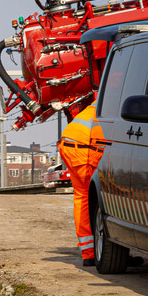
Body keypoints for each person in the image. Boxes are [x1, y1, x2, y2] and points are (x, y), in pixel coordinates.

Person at [57, 102, 103, 265]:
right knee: (100, 198)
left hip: (69, 144)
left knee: (82, 197)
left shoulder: (100, 101)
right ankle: (97, 251)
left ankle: (88, 252)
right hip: (85, 147)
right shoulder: (116, 102)